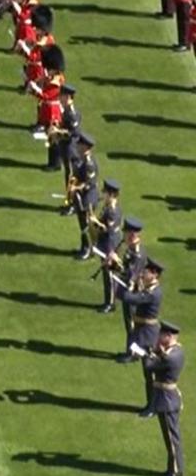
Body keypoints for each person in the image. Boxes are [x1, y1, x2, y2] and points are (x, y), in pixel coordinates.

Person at [145, 321, 185, 476]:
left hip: (167, 401)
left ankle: (175, 471)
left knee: (171, 438)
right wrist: (159, 352)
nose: (159, 337)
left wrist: (151, 352)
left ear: (168, 336)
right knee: (171, 438)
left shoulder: (170, 357)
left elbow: (149, 366)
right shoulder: (176, 351)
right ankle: (173, 468)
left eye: (161, 335)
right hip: (168, 398)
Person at [123, 259, 164, 410]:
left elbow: (129, 298)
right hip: (143, 331)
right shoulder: (149, 288)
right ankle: (151, 405)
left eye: (146, 272)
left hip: (148, 335)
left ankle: (153, 406)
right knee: (146, 372)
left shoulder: (152, 293)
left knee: (150, 373)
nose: (143, 273)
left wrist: (129, 284)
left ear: (154, 275)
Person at [112, 217, 148, 359]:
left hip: (133, 293)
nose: (124, 236)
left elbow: (130, 276)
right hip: (130, 292)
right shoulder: (132, 249)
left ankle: (132, 353)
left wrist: (115, 265)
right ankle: (130, 350)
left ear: (132, 235)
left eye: (126, 233)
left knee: (132, 324)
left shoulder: (138, 254)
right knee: (129, 323)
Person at [92, 179, 123, 313]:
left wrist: (95, 223)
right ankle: (107, 301)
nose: (103, 195)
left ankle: (110, 304)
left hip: (110, 245)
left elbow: (108, 230)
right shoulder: (108, 207)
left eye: (105, 193)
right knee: (107, 275)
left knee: (110, 275)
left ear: (111, 195)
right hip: (105, 243)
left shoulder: (113, 211)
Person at [67, 132, 99, 259]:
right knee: (82, 224)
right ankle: (85, 247)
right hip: (82, 197)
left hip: (88, 198)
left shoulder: (89, 163)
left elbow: (89, 183)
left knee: (86, 225)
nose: (78, 146)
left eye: (80, 144)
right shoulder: (83, 159)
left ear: (86, 147)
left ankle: (89, 250)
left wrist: (76, 187)